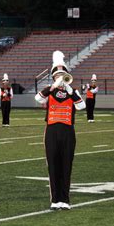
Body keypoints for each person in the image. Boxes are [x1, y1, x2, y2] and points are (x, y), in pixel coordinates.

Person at [35, 51, 85, 210]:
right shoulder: (49, 91)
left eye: (63, 74)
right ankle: (55, 199)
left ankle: (65, 199)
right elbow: (38, 99)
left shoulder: (73, 92)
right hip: (51, 131)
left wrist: (70, 90)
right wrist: (52, 87)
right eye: (57, 75)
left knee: (66, 165)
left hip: (68, 131)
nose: (60, 77)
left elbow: (81, 106)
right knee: (53, 165)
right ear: (53, 76)